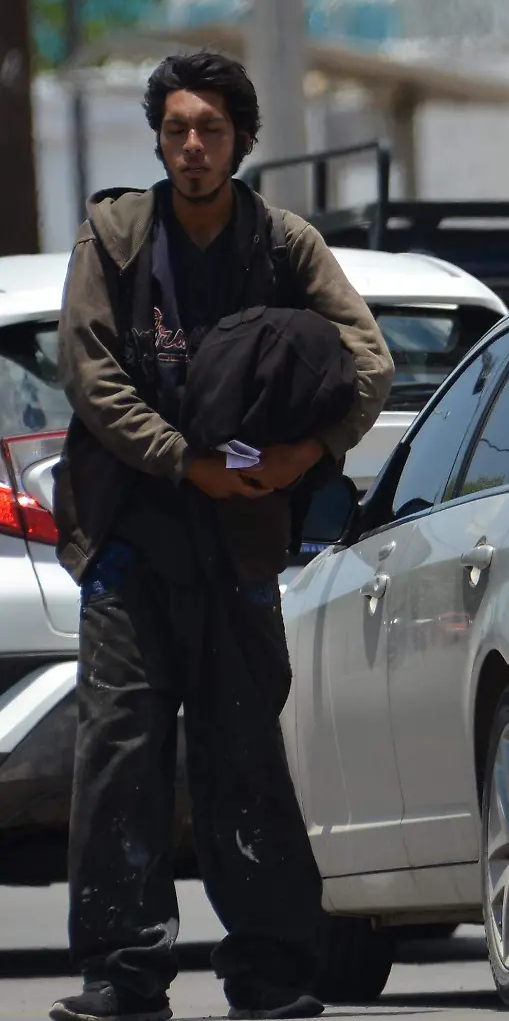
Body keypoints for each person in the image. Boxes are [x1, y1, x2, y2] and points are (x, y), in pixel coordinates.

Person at [50, 52, 393, 1021]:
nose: (192, 146)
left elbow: (368, 364)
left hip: (240, 544)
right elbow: (92, 373)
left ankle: (269, 973)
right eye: (175, 129)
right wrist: (183, 461)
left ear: (242, 139)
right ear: (158, 139)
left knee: (246, 756)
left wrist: (302, 456)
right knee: (121, 753)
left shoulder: (284, 245)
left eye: (210, 129)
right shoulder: (116, 235)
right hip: (127, 537)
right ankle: (124, 974)